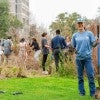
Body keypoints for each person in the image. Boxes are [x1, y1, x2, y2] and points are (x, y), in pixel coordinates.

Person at [71, 18, 99, 97]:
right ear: (77, 25)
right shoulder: (75, 35)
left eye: (81, 23)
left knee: (90, 75)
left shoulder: (89, 33)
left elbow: (93, 45)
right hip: (79, 59)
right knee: (80, 76)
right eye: (78, 24)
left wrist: (97, 42)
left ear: (84, 24)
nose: (80, 25)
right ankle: (82, 92)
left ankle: (92, 93)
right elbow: (72, 46)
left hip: (88, 58)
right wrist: (75, 51)